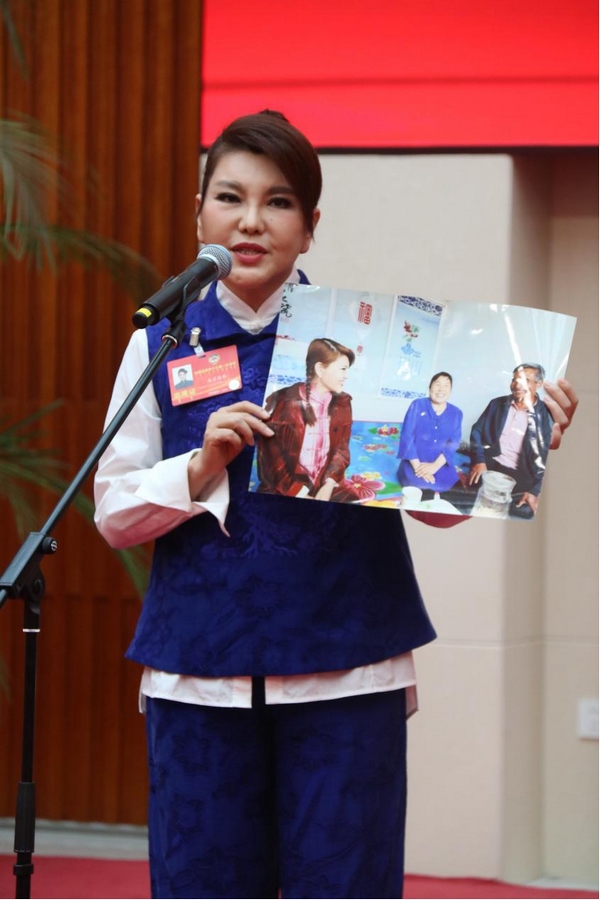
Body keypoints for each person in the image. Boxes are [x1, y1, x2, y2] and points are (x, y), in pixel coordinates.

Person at [93, 111, 578, 899]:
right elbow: (114, 512)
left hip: (348, 673)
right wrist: (200, 465)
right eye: (230, 197)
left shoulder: (374, 345)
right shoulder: (161, 343)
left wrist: (520, 445)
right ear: (199, 212)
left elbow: (438, 506)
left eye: (279, 202)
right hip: (198, 672)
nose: (251, 221)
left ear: (311, 226)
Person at [256, 337, 358, 500]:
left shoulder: (343, 403)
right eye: (342, 369)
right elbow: (271, 462)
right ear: (320, 369)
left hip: (323, 480)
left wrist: (329, 483)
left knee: (354, 500)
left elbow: (342, 450)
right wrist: (300, 493)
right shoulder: (282, 402)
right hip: (286, 485)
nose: (346, 376)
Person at [466, 363, 554, 519]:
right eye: (515, 379)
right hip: (489, 465)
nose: (517, 385)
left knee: (522, 512)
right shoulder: (497, 404)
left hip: (522, 473)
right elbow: (477, 431)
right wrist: (479, 461)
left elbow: (551, 456)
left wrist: (535, 490)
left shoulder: (547, 415)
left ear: (538, 384)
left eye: (525, 380)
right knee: (468, 500)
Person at [396, 371, 463, 497]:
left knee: (456, 491)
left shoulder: (456, 413)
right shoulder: (417, 405)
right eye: (437, 384)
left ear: (450, 391)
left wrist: (434, 466)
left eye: (446, 385)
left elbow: (453, 442)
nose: (441, 389)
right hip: (415, 462)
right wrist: (419, 468)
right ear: (430, 387)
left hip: (440, 463)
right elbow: (407, 437)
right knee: (422, 494)